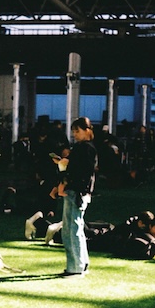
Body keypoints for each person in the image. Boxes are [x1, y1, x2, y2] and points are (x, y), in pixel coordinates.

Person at [55, 117, 97, 277]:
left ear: (87, 130)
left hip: (76, 191)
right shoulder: (88, 148)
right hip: (81, 191)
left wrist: (64, 178)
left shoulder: (83, 148)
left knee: (71, 230)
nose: (75, 134)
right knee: (75, 228)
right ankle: (81, 263)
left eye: (77, 131)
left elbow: (79, 171)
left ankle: (75, 266)